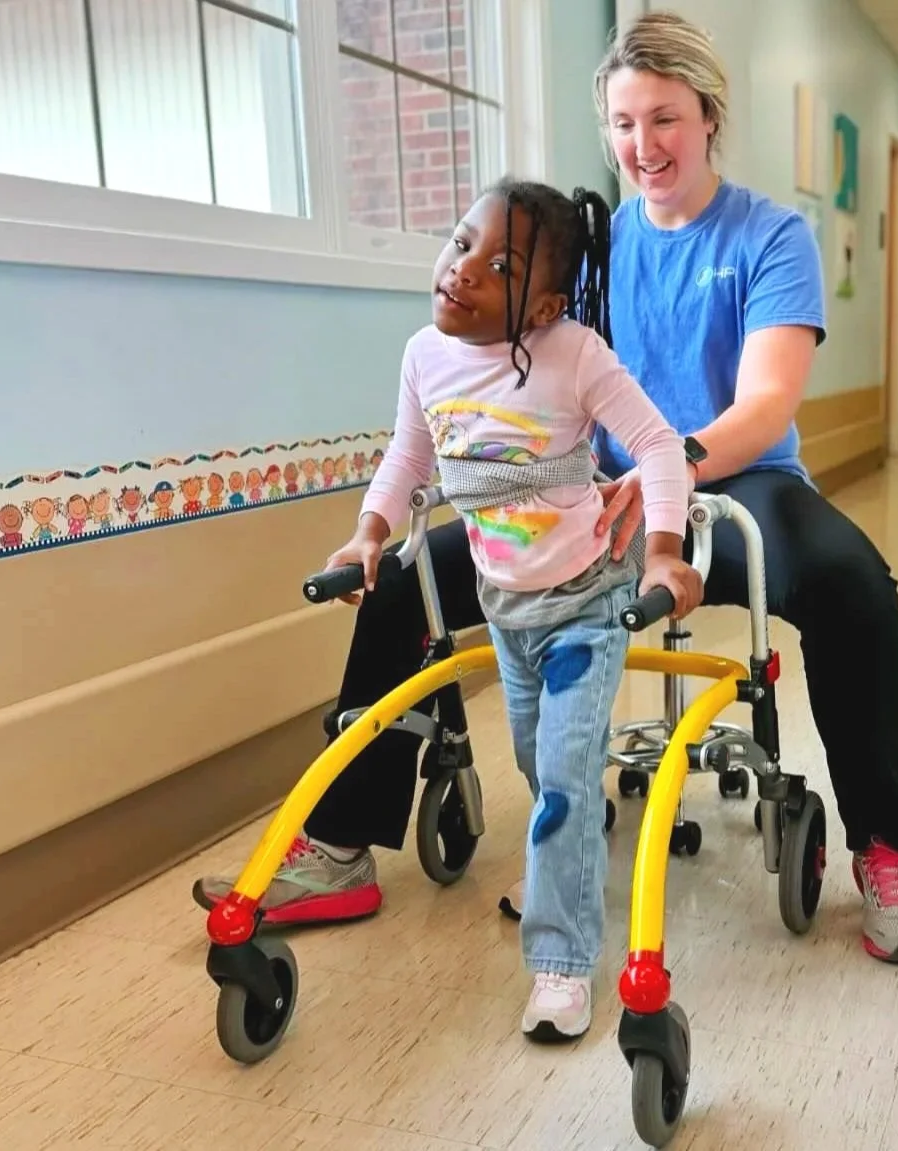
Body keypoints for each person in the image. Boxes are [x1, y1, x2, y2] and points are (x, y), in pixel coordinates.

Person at [192, 9, 898, 970]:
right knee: (406, 584)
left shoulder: (770, 236)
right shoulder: (589, 247)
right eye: (625, 124)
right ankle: (340, 849)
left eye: (666, 119)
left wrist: (671, 467)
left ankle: (886, 849)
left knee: (854, 589)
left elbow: (764, 402)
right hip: (588, 494)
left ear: (709, 115)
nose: (644, 146)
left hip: (736, 482)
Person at [321, 177, 703, 1040]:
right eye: (460, 245)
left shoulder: (574, 354)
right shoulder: (426, 353)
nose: (462, 271)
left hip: (583, 603)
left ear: (543, 307)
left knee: (566, 773)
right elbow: (409, 454)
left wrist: (667, 550)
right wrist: (368, 532)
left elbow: (655, 444)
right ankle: (562, 858)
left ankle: (561, 963)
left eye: (498, 266)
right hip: (505, 605)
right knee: (537, 762)